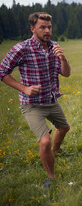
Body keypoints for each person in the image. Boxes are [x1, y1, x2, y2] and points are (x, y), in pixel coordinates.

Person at [0, 12, 71, 188]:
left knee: (64, 128)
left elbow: (67, 73)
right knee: (45, 140)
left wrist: (63, 58)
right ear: (33, 29)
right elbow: (2, 72)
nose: (47, 31)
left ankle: (56, 150)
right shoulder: (21, 49)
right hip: (31, 105)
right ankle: (51, 177)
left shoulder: (55, 46)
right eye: (42, 27)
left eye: (49, 27)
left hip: (51, 100)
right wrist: (24, 88)